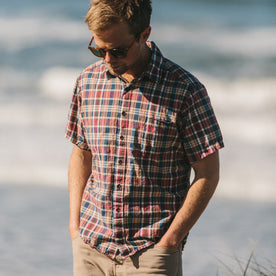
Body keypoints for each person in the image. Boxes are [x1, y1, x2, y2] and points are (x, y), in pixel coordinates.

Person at [65, 0, 224, 275]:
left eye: (117, 51)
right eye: (97, 49)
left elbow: (208, 173)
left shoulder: (185, 90)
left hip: (152, 252)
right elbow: (82, 153)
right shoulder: (87, 82)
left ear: (144, 34)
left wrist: (171, 240)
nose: (107, 60)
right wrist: (74, 225)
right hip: (90, 245)